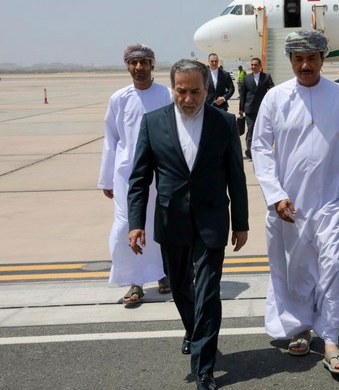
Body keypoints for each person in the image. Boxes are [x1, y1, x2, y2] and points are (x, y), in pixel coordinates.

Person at [251, 30, 339, 375]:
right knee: (296, 267)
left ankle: (330, 339)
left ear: (322, 59)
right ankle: (300, 327)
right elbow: (260, 148)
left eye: (312, 58)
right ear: (291, 60)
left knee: (333, 266)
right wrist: (275, 195)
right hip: (290, 203)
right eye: (299, 59)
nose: (305, 65)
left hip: (330, 198)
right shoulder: (275, 98)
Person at [127, 59, 249, 390]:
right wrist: (135, 223)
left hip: (212, 219)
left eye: (195, 91)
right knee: (181, 286)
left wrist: (241, 223)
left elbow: (236, 176)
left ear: (207, 89)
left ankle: (203, 367)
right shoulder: (153, 122)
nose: (188, 99)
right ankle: (195, 331)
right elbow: (139, 179)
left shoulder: (224, 123)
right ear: (173, 89)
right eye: (181, 91)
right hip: (172, 219)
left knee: (208, 292)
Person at [98, 43, 172, 307]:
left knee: (158, 224)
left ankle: (163, 273)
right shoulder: (119, 98)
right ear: (128, 66)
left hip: (160, 173)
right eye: (133, 63)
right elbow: (111, 139)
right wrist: (107, 178)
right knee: (125, 227)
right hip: (126, 175)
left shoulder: (167, 95)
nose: (139, 67)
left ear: (152, 65)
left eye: (143, 62)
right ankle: (134, 281)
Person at [238, 57, 274, 159]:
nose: (253, 66)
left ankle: (261, 149)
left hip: (263, 109)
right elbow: (242, 94)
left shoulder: (266, 77)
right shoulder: (246, 78)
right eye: (252, 65)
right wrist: (241, 109)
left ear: (260, 66)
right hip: (249, 109)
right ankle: (250, 152)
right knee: (251, 129)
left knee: (262, 130)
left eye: (255, 65)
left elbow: (272, 90)